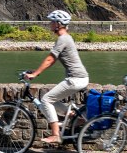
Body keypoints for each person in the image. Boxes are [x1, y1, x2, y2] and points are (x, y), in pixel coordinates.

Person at [23, 10, 89, 144]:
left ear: (58, 24)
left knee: (46, 100)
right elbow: (53, 60)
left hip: (75, 79)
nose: (49, 24)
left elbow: (50, 59)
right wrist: (36, 71)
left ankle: (55, 134)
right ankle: (76, 117)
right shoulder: (66, 38)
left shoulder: (63, 39)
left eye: (52, 22)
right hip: (80, 78)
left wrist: (35, 74)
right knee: (52, 99)